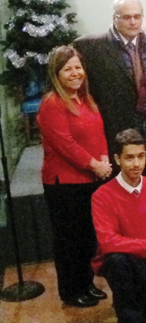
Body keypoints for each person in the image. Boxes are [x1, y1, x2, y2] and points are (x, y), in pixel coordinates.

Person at [37, 45, 112, 307]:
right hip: (64, 184)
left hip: (90, 180)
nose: (75, 73)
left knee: (87, 237)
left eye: (78, 67)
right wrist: (94, 164)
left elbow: (99, 133)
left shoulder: (86, 99)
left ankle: (86, 283)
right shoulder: (52, 103)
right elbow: (65, 144)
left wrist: (104, 159)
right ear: (56, 74)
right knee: (69, 240)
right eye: (67, 69)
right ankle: (71, 291)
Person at [91, 129, 146, 323]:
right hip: (120, 263)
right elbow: (108, 243)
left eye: (141, 156)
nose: (136, 164)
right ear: (117, 159)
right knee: (117, 261)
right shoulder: (101, 196)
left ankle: (140, 299)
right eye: (129, 158)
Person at [74, 0, 146, 181]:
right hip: (114, 141)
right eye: (126, 17)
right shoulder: (91, 47)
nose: (133, 22)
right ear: (115, 18)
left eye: (137, 16)